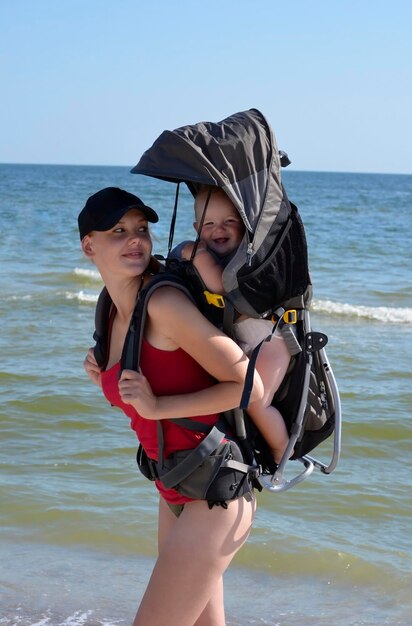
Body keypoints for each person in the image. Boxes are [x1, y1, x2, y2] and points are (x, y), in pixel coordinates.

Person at [79, 186, 264, 626]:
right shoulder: (110, 311)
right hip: (173, 486)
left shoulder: (163, 304)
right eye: (118, 231)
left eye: (141, 229)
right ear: (89, 246)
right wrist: (103, 375)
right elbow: (142, 393)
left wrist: (158, 406)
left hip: (216, 490)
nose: (135, 239)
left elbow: (249, 386)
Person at [174, 185, 298, 464]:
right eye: (209, 224)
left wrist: (193, 252)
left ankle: (280, 452)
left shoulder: (247, 255)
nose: (219, 229)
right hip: (241, 339)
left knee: (256, 400)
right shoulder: (210, 254)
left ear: (245, 224)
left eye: (229, 221)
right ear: (197, 227)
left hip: (272, 341)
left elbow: (219, 285)